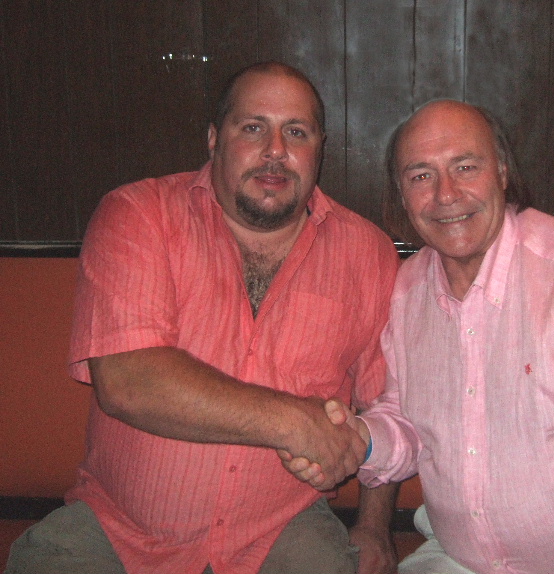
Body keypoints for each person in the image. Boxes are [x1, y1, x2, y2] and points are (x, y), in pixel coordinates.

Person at [281, 99, 554, 574]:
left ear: (500, 172)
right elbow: (409, 423)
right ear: (401, 194)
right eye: (421, 176)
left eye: (465, 167)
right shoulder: (407, 290)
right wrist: (358, 440)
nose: (446, 194)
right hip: (460, 562)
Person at [4, 62, 400, 574]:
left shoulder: (367, 253)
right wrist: (294, 424)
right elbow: (129, 381)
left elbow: (385, 402)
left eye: (296, 132)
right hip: (121, 530)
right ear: (214, 139)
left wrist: (373, 528)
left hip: (282, 529)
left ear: (319, 149)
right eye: (253, 127)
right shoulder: (138, 214)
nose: (275, 149)